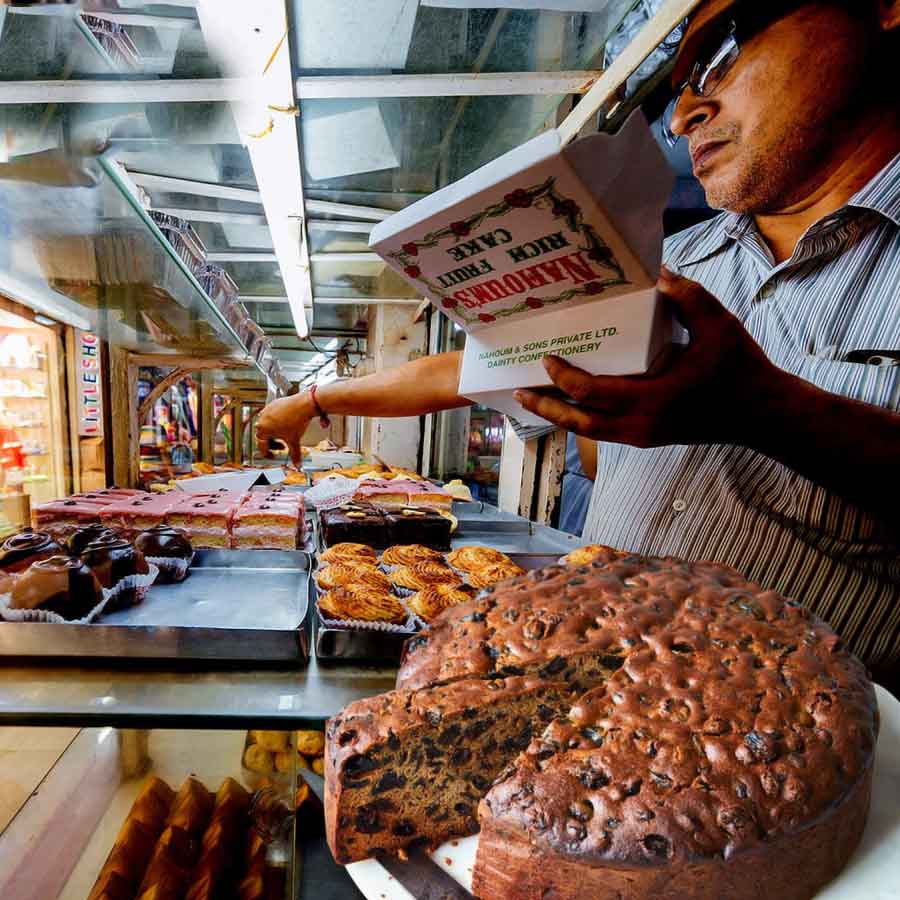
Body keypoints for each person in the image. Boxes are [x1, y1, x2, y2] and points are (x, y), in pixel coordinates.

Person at [257, 0, 900, 692]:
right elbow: (469, 370)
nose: (684, 117)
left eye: (722, 54)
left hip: (798, 754)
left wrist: (764, 410)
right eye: (681, 88)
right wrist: (315, 398)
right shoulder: (658, 262)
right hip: (601, 704)